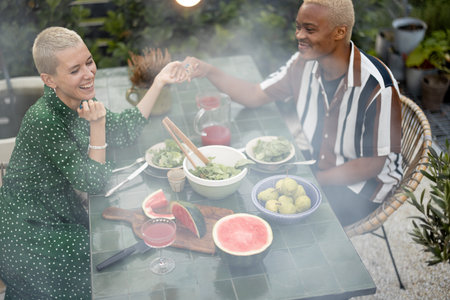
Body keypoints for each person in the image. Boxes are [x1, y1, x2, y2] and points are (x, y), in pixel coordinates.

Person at [0, 26, 187, 299]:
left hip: (63, 212)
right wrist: (97, 126)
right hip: (29, 232)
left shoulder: (80, 94)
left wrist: (159, 81)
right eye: (74, 70)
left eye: (89, 62)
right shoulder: (43, 119)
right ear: (49, 79)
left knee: (111, 259)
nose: (88, 74)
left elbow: (123, 130)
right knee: (102, 271)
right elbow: (94, 181)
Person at [182, 0, 402, 227]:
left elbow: (373, 164)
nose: (299, 35)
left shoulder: (378, 86)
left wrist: (313, 179)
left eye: (309, 29)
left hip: (361, 188)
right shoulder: (302, 64)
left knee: (280, 220)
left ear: (339, 32)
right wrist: (208, 70)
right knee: (255, 195)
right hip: (315, 164)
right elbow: (254, 94)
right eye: (298, 27)